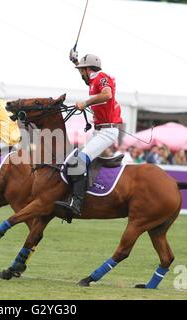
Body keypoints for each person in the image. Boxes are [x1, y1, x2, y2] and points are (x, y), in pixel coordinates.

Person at [55, 52, 122, 217]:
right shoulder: (93, 80)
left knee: (78, 162)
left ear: (88, 69)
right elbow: (88, 80)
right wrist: (75, 62)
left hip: (107, 131)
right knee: (76, 161)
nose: (81, 74)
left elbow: (107, 94)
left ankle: (76, 204)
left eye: (81, 70)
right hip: (99, 130)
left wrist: (85, 103)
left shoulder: (102, 77)